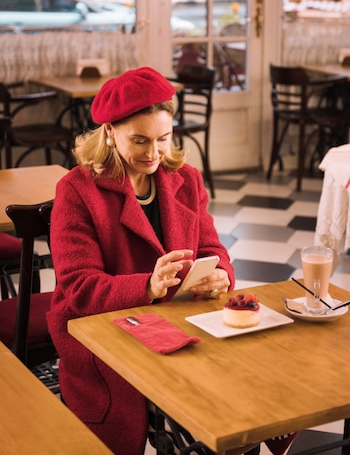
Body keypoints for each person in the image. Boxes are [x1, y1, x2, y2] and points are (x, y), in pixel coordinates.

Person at [47, 67, 235, 455]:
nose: (153, 153)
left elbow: (213, 249)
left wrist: (220, 275)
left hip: (177, 320)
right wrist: (147, 286)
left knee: (242, 391)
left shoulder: (187, 179)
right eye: (139, 140)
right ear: (110, 132)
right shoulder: (76, 190)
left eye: (163, 139)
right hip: (104, 331)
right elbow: (80, 287)